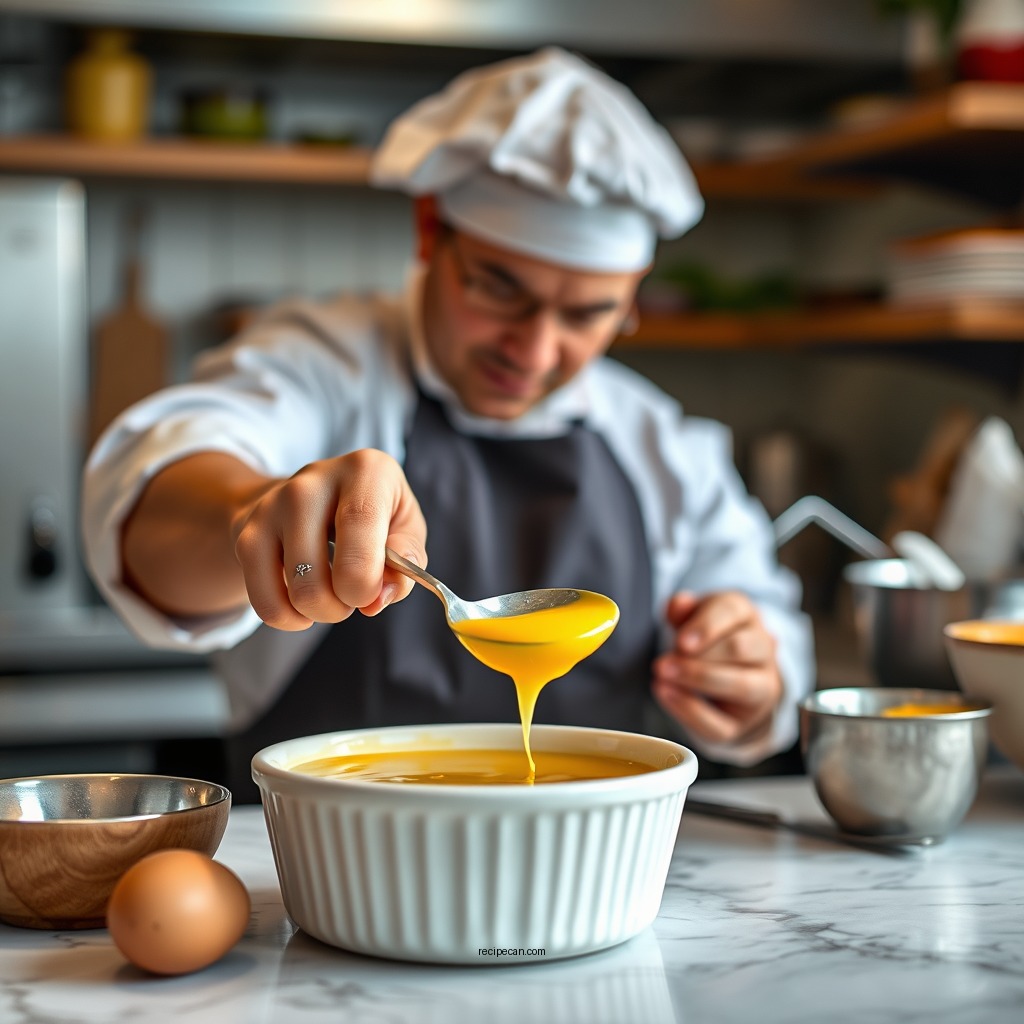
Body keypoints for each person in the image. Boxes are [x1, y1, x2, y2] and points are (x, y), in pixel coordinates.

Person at [82, 47, 814, 802]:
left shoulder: (658, 443)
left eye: (588, 313)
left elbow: (774, 643)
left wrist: (748, 672)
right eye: (500, 288)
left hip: (590, 877)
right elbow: (153, 495)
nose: (534, 351)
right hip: (331, 875)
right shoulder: (323, 364)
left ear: (633, 296)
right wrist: (253, 512)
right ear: (431, 230)